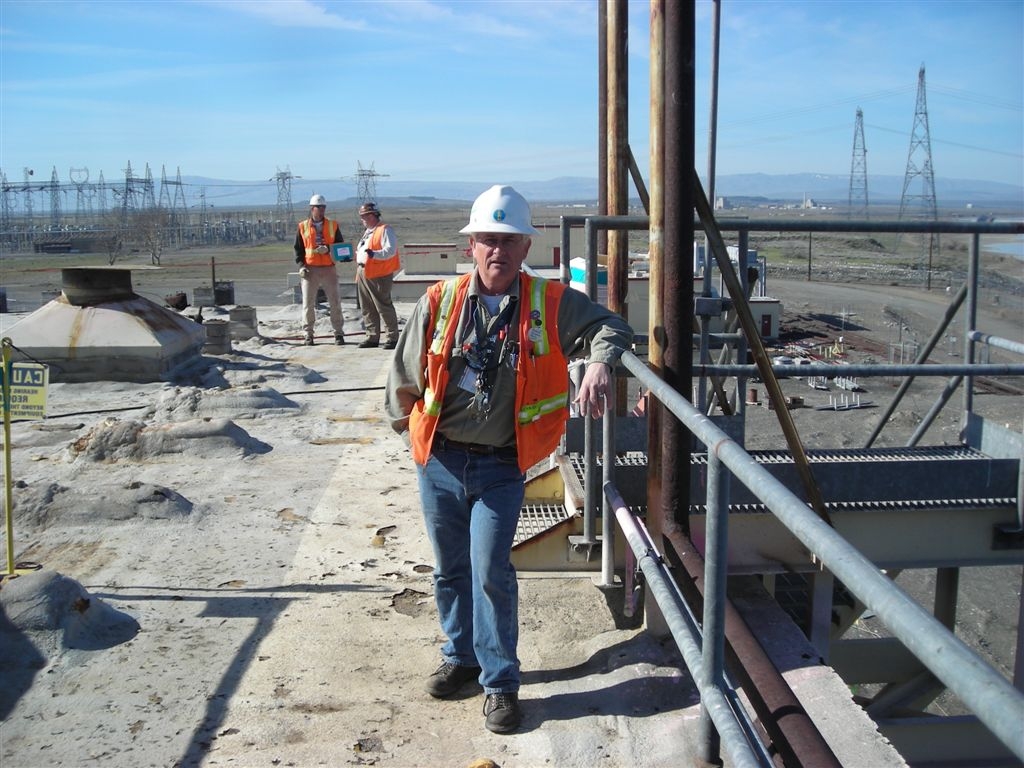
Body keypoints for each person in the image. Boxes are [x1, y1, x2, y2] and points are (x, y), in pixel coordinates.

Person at [385, 185, 632, 734]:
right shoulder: (440, 300)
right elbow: (402, 377)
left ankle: (500, 684)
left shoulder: (551, 304)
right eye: (487, 241)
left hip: (501, 466)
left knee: (491, 570)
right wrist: (412, 436)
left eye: (509, 242)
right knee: (449, 569)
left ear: (526, 249)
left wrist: (597, 364)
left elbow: (612, 326)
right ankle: (462, 658)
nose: (497, 251)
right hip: (441, 462)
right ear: (471, 246)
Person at [294, 194, 346, 346]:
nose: (322, 210)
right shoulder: (302, 226)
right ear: (312, 209)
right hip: (310, 269)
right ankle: (308, 334)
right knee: (308, 303)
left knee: (335, 302)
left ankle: (338, 333)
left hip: (329, 268)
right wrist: (301, 265)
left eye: (323, 207)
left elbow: (340, 247)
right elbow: (298, 248)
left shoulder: (333, 225)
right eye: (319, 207)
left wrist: (328, 249)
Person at [355, 201, 401, 349]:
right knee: (367, 306)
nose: (362, 219)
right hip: (364, 271)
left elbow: (390, 250)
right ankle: (372, 336)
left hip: (379, 273)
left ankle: (392, 337)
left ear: (373, 215)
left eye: (365, 216)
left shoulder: (385, 230)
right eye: (361, 216)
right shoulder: (368, 232)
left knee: (383, 305)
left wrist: (374, 254)